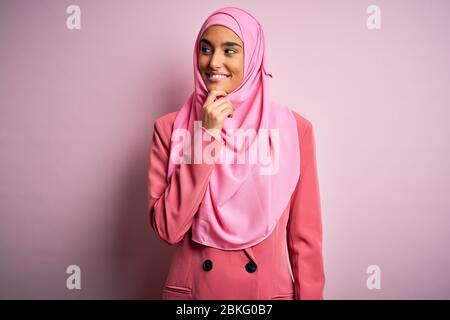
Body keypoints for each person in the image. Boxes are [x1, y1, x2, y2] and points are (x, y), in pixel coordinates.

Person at [147, 6, 325, 300]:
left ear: (253, 57)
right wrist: (205, 135)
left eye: (230, 51)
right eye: (206, 49)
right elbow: (169, 228)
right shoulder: (168, 129)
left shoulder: (294, 130)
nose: (214, 62)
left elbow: (305, 240)